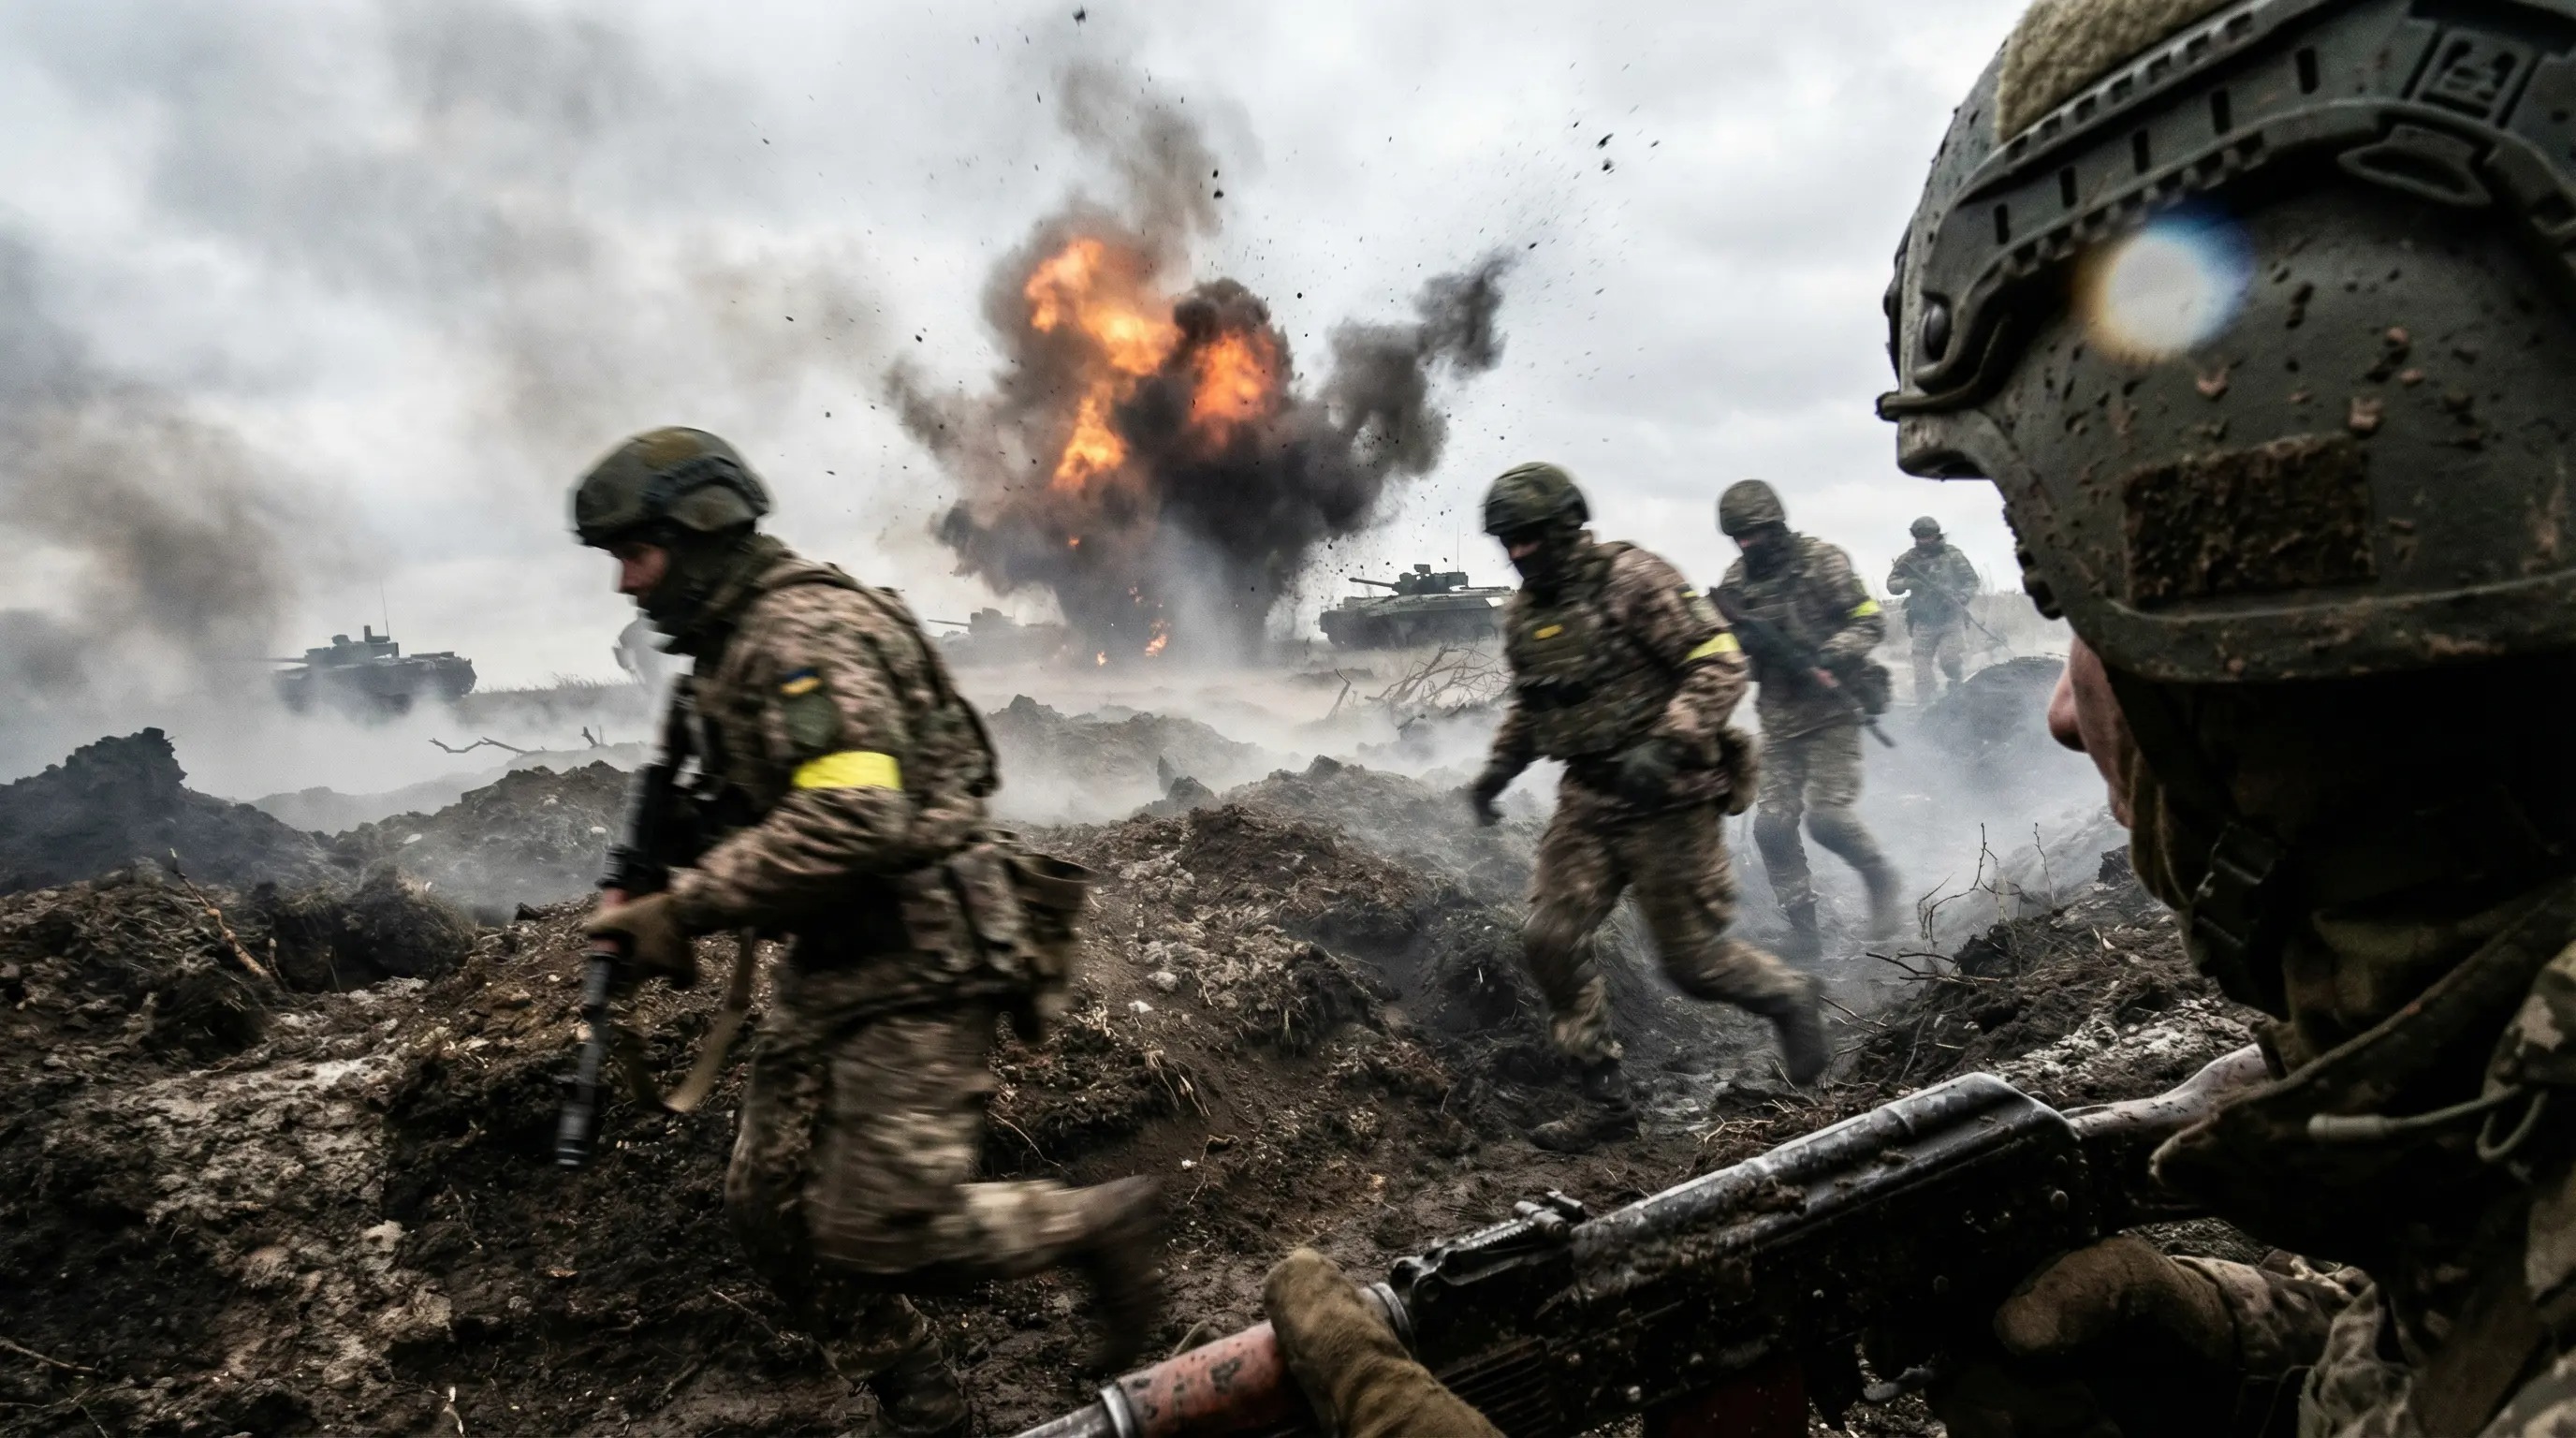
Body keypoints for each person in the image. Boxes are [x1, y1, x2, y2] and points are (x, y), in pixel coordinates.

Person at [1264, 0, 2576, 1429]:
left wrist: (1724, 716)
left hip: (1718, 761)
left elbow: (1739, 656)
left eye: (2083, 599)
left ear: (2296, 626)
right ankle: (1674, 1027)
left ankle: (1801, 982)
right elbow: (2455, 1339)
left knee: (1745, 908)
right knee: (1603, 915)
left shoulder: (1681, 579)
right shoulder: (2506, 1138)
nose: (2066, 710)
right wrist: (2230, 1353)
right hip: (1621, 786)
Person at [570, 427, 1163, 1436]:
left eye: (639, 553)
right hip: (837, 955)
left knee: (881, 1231)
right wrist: (651, 896)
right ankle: (920, 1396)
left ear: (700, 531)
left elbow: (854, 818)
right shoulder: (730, 651)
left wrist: (689, 905)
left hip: (927, 950)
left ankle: (1097, 1225)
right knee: (768, 1211)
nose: (626, 582)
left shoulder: (803, 634)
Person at [1467, 461, 1826, 1152]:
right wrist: (1497, 773)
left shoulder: (1635, 580)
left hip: (1671, 800)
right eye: (1508, 541)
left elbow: (1719, 660)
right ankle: (1604, 1102)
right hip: (1589, 800)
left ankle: (1788, 996)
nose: (1519, 552)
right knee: (1548, 938)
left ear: (1567, 522)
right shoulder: (1525, 614)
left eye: (1530, 536)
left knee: (1691, 963)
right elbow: (1535, 706)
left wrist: (1668, 741)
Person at [1715, 479, 1902, 961]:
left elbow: (1870, 619)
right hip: (1780, 723)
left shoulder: (1822, 561)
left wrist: (1831, 653)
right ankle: (1805, 933)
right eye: (1739, 537)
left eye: (1755, 533)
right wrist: (1744, 647)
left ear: (1776, 525)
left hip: (1833, 712)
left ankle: (1881, 879)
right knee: (1771, 828)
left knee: (1828, 820)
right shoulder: (1736, 582)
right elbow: (1724, 647)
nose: (1747, 544)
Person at [1885, 516, 1980, 701]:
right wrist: (1910, 582)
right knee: (1922, 673)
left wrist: (1961, 597)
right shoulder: (1908, 559)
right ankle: (1925, 707)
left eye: (1928, 537)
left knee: (1950, 660)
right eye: (1920, 538)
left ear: (1936, 535)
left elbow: (1972, 580)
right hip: (1922, 622)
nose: (1925, 541)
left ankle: (1957, 687)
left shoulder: (1952, 555)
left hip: (1950, 618)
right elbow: (1892, 584)